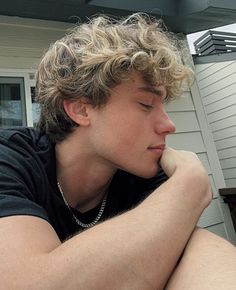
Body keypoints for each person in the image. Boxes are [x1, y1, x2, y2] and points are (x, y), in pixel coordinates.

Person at [0, 13, 235, 290]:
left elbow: (201, 257)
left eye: (164, 107)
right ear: (80, 109)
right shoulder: (10, 160)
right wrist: (191, 184)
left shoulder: (144, 176)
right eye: (146, 104)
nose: (168, 125)